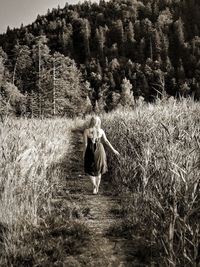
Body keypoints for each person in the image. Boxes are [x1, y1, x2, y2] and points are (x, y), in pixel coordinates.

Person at [83, 115, 120, 194]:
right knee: (99, 170)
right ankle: (96, 187)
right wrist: (114, 150)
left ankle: (94, 186)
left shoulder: (86, 131)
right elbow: (106, 141)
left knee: (90, 169)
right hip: (100, 150)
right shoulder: (101, 131)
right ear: (98, 122)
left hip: (90, 150)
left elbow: (85, 144)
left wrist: (83, 154)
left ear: (91, 121)